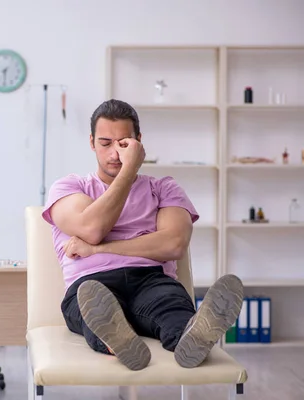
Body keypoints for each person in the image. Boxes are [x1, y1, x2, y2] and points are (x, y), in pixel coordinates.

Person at [42, 99, 243, 371]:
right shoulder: (69, 187)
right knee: (94, 311)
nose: (115, 153)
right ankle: (118, 340)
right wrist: (129, 170)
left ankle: (193, 336)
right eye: (105, 143)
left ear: (139, 141)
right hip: (92, 285)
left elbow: (173, 245)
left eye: (124, 144)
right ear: (91, 142)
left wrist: (98, 249)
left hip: (151, 279)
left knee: (173, 309)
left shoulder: (164, 188)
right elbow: (92, 228)